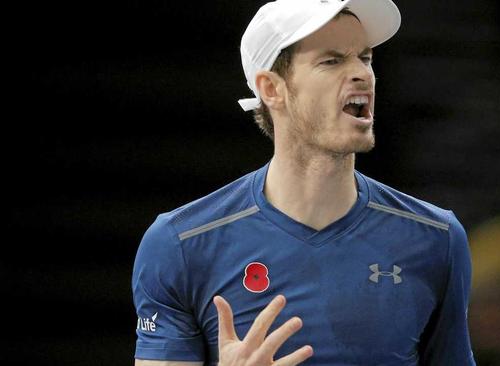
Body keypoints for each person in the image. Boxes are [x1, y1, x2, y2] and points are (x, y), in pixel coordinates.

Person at [132, 0, 476, 365]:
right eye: (332, 60)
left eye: (365, 57)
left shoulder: (437, 238)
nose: (362, 73)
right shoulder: (179, 244)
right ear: (272, 89)